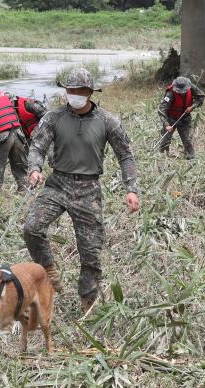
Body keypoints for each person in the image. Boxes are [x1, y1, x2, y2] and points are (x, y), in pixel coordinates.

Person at [23, 68, 140, 313]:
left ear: (89, 93)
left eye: (79, 91)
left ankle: (87, 303)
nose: (73, 95)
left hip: (88, 189)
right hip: (57, 184)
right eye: (70, 90)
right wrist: (34, 168)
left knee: (91, 252)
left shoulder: (107, 121)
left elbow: (125, 156)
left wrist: (131, 189)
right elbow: (37, 146)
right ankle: (48, 270)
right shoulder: (53, 118)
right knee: (32, 228)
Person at [157, 76, 205, 159]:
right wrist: (166, 124)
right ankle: (162, 156)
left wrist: (193, 106)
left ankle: (190, 157)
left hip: (185, 117)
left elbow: (201, 97)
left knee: (188, 139)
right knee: (166, 139)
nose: (182, 92)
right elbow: (162, 109)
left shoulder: (191, 87)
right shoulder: (170, 93)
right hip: (171, 118)